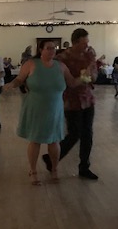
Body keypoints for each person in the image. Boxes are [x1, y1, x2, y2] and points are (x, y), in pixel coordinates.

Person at [5, 40, 83, 186]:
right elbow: (20, 79)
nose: (52, 51)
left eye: (54, 48)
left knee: (54, 140)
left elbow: (72, 82)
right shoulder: (31, 64)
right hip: (36, 108)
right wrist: (11, 84)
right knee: (35, 139)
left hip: (55, 109)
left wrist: (86, 77)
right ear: (41, 50)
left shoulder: (61, 66)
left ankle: (54, 169)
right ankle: (33, 171)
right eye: (48, 48)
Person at [42, 28, 99, 180]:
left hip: (87, 99)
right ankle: (52, 158)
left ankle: (84, 167)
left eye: (87, 42)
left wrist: (91, 76)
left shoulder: (89, 55)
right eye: (84, 42)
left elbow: (94, 74)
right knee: (74, 133)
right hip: (71, 100)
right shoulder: (62, 58)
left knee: (87, 134)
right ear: (75, 42)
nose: (87, 45)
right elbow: (57, 79)